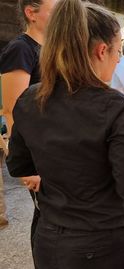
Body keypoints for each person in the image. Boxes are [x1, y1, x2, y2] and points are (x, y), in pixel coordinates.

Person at [6, 1, 124, 268]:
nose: (118, 59)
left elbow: (18, 165)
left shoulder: (30, 98)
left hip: (48, 237)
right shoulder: (113, 105)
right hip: (102, 243)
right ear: (101, 50)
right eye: (118, 51)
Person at [0, 0, 56, 234]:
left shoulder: (50, 47)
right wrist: (25, 165)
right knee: (46, 216)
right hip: (36, 149)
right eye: (54, 12)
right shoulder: (20, 48)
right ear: (31, 13)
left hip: (53, 144)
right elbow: (13, 109)